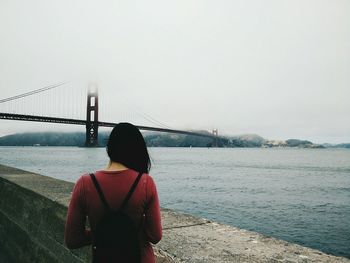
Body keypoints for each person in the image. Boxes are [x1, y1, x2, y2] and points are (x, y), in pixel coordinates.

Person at [65, 122, 162, 263]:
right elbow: (155, 236)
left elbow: (73, 239)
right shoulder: (146, 183)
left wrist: (103, 234)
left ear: (108, 149)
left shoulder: (85, 183)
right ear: (138, 151)